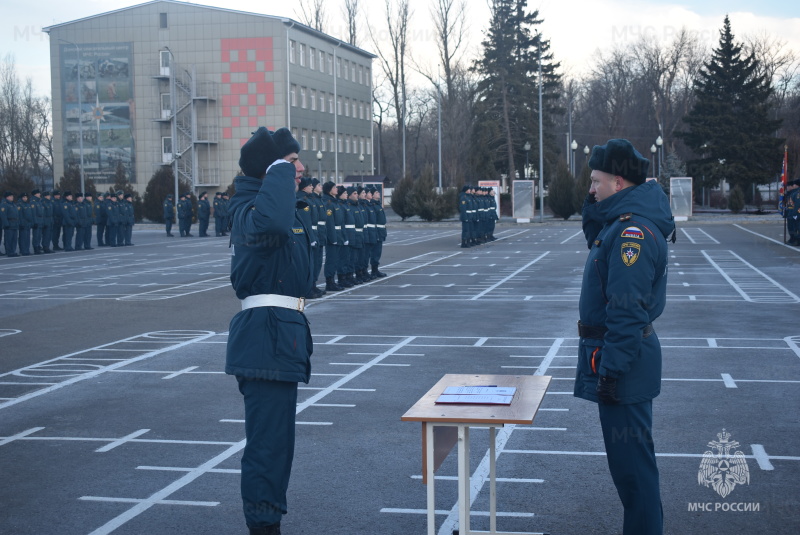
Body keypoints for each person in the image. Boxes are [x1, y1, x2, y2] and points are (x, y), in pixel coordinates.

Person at [574, 139, 674, 535]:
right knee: (629, 470)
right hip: (621, 360)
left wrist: (612, 371)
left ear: (618, 183)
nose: (591, 189)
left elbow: (627, 311)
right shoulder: (622, 222)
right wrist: (592, 201)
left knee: (634, 474)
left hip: (624, 365)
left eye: (596, 182)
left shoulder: (632, 233)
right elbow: (594, 233)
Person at [225, 127, 312, 535]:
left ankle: (268, 519)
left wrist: (284, 175)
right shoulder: (249, 211)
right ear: (271, 169)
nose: (302, 169)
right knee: (267, 446)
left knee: (279, 446)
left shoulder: (270, 204)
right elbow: (274, 222)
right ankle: (263, 526)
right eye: (293, 162)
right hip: (265, 338)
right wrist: (278, 168)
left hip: (279, 337)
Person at [370, 187, 387, 277]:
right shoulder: (373, 205)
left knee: (378, 252)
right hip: (376, 232)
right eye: (376, 192)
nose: (378, 193)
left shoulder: (377, 204)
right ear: (372, 195)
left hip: (380, 232)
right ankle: (373, 270)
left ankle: (375, 270)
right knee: (374, 253)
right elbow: (374, 221)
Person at [1, 191, 20, 257]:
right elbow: (3, 215)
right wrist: (6, 224)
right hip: (9, 224)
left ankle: (13, 251)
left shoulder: (13, 204)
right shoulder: (4, 204)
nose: (12, 197)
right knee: (9, 239)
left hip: (14, 224)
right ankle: (9, 251)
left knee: (14, 239)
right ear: (7, 197)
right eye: (11, 196)